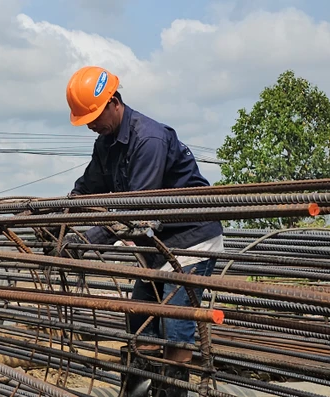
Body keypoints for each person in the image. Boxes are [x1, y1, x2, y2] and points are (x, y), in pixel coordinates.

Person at [52, 66, 224, 397]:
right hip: (156, 246)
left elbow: (136, 213)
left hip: (190, 242)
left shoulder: (149, 140)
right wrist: (62, 217)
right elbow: (87, 188)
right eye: (85, 118)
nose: (91, 125)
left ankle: (171, 390)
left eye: (95, 115)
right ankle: (139, 391)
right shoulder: (105, 143)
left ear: (114, 101)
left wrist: (86, 240)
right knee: (140, 319)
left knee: (175, 328)